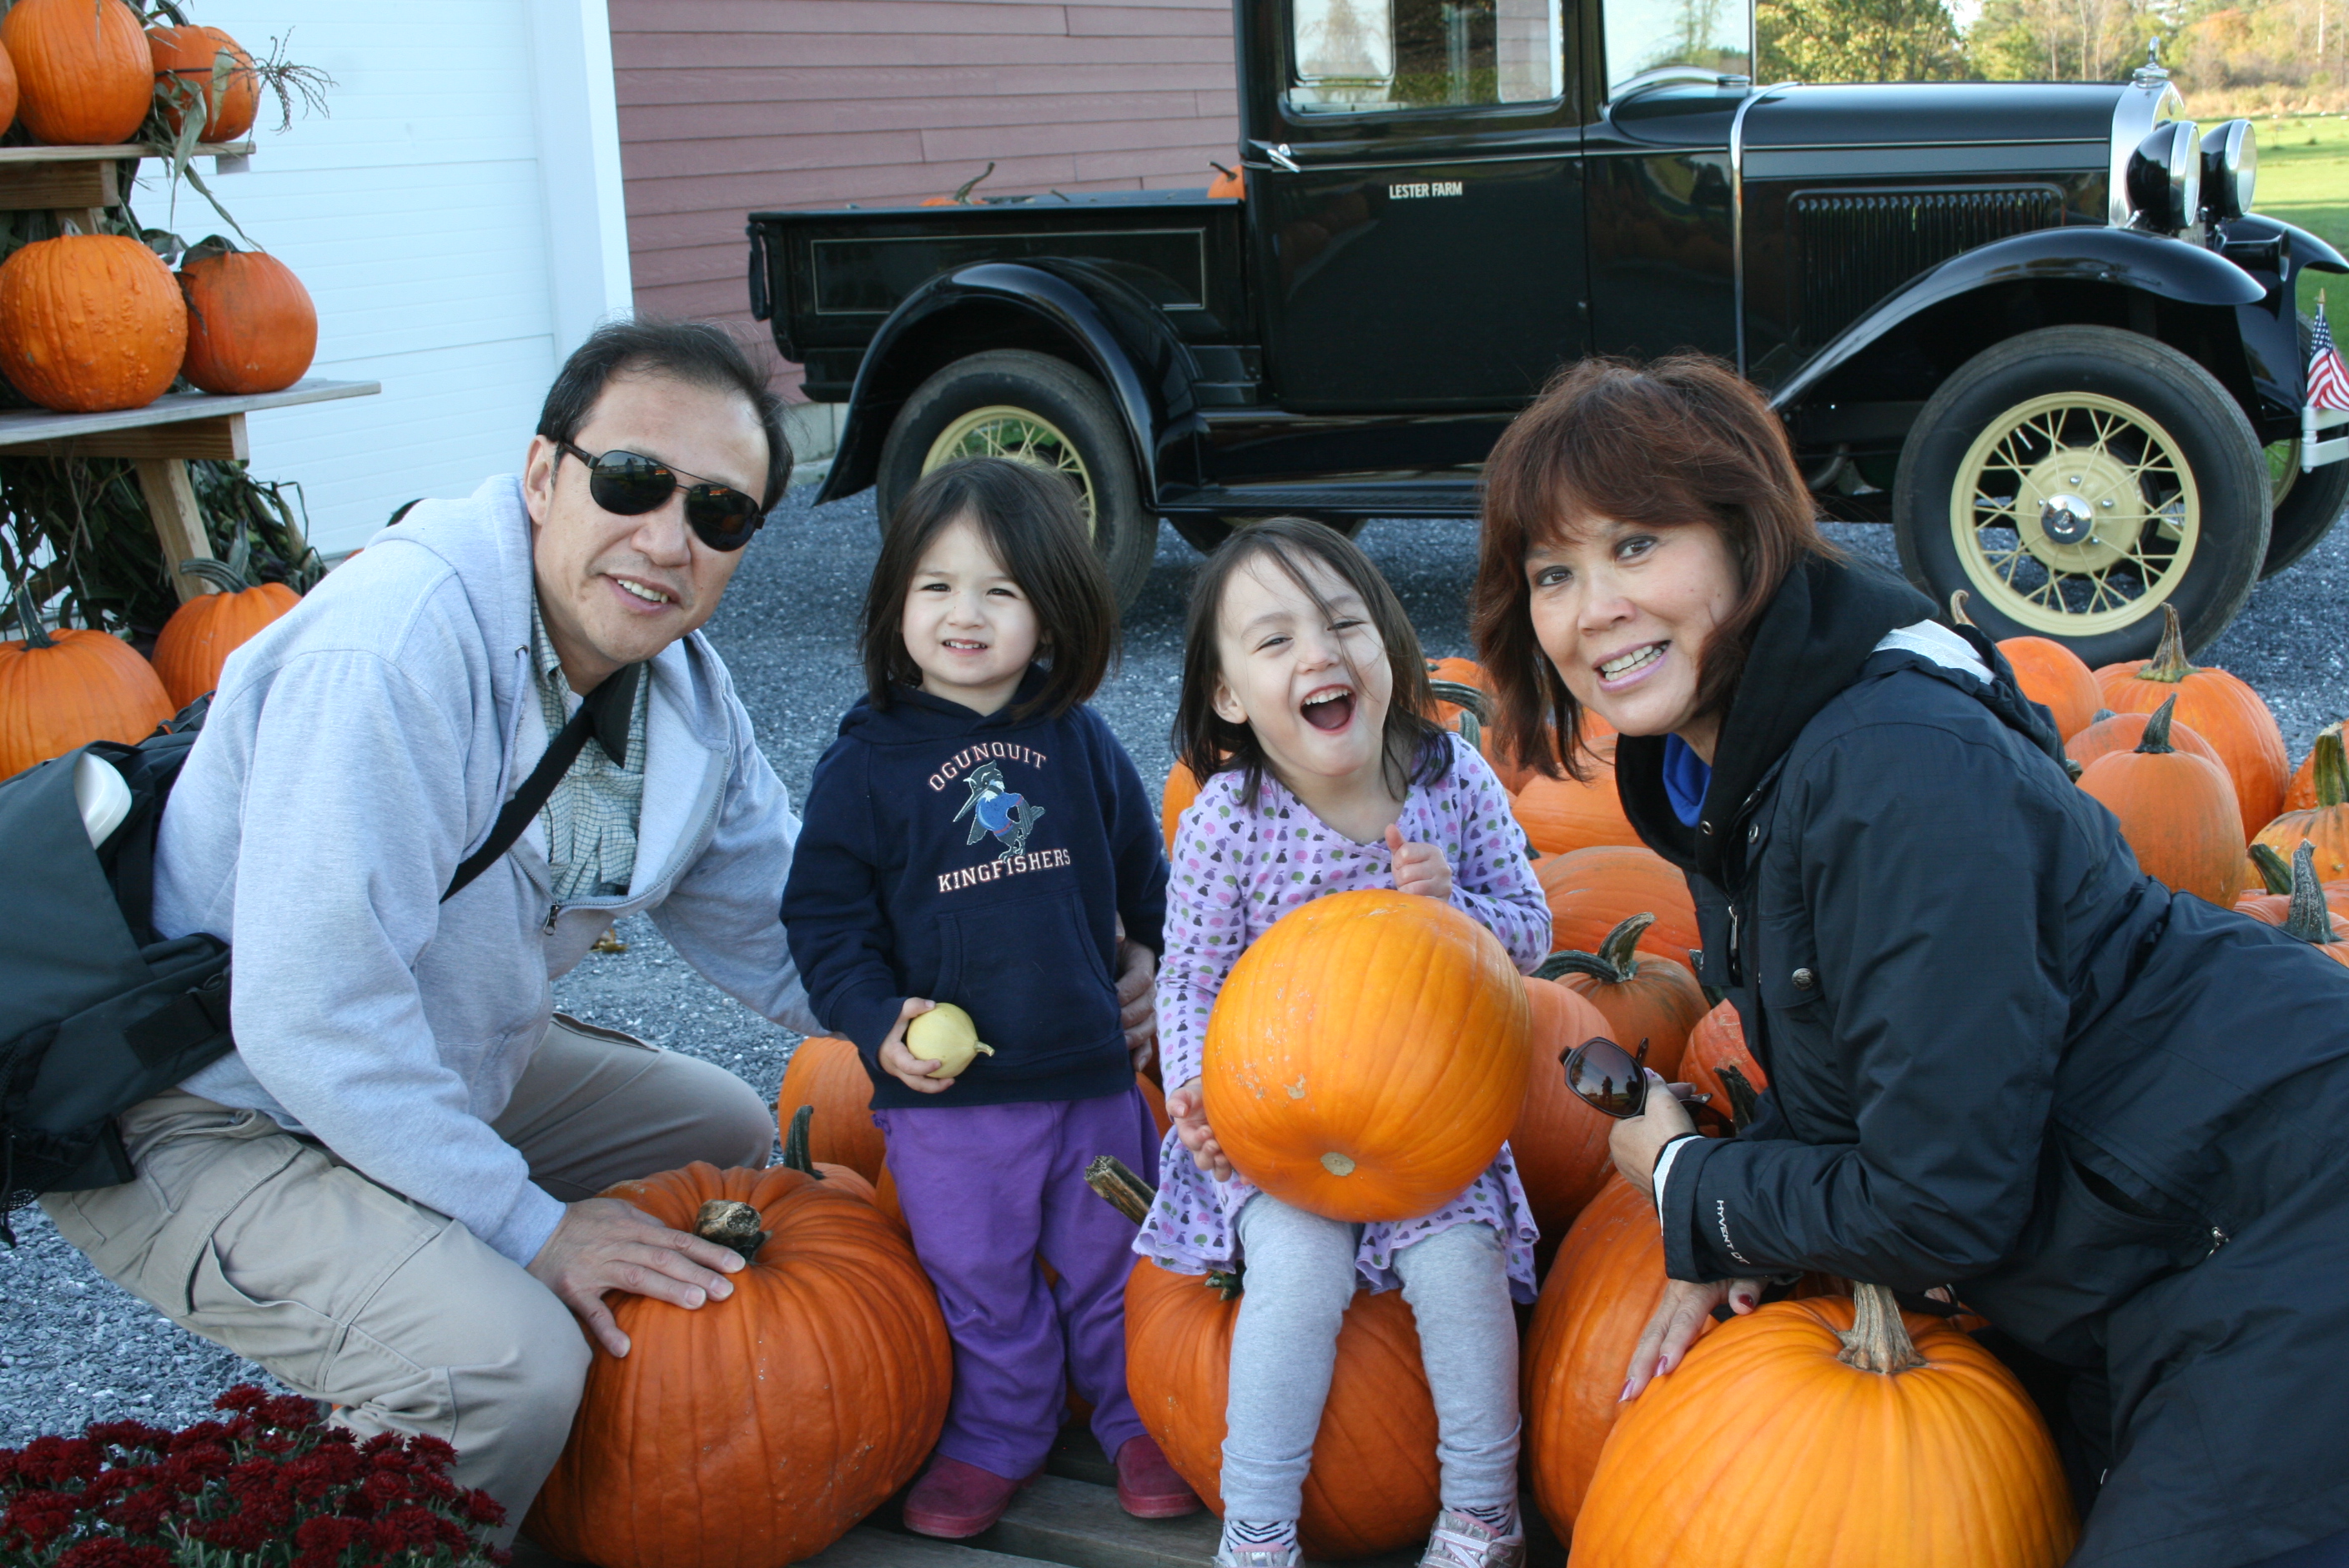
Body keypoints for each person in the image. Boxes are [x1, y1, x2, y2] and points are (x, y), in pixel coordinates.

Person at [1470, 354, 2349, 1568]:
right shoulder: (1737, 761)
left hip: (2275, 1205)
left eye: (1634, 545)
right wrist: (1737, 1221)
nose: (1591, 608)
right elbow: (1880, 1065)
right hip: (2139, 1236)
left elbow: (1941, 1200)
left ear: (1746, 537)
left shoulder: (1895, 768)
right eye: (1553, 573)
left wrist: (1689, 1187)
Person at [43, 319, 805, 1544]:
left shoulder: (681, 699)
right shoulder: (392, 649)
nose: (669, 539)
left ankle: (568, 1452)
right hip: (205, 1103)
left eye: (719, 513)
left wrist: (1032, 987)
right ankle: (396, 1445)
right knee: (505, 1366)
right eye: (632, 481)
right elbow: (309, 1019)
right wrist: (534, 1230)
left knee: (716, 1133)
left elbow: (795, 930)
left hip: (415, 1054)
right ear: (544, 474)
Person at [780, 457, 1194, 1538]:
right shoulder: (864, 764)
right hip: (948, 1099)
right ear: (895, 600)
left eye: (1000, 590)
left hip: (1092, 1078)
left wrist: (1153, 955)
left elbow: (1145, 874)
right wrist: (874, 1022)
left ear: (1051, 612)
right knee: (977, 1278)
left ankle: (1140, 1416)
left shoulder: (1076, 738)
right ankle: (1000, 1429)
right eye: (937, 585)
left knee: (1114, 1263)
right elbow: (825, 920)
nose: (964, 613)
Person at [1139, 517, 1551, 1568]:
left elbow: (1532, 931)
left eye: (1342, 624)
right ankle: (1257, 1524)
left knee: (1461, 1266)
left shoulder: (1452, 780)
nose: (1318, 653)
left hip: (1427, 1114)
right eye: (1274, 640)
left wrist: (1456, 910)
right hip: (1275, 1119)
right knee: (1294, 1273)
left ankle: (1482, 1513)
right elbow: (1189, 978)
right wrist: (1193, 1091)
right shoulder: (1228, 818)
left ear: (1387, 646)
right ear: (1229, 694)